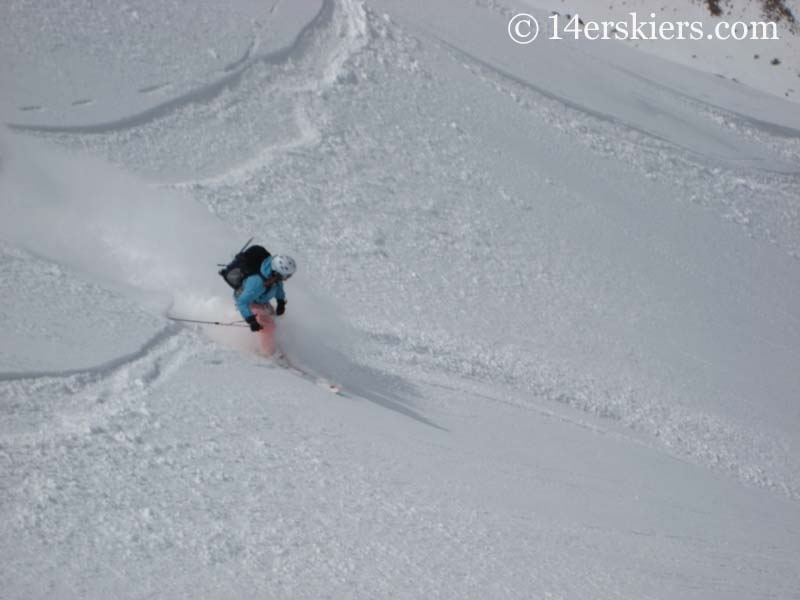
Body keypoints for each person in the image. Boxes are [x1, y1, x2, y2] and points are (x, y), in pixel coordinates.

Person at [235, 254, 296, 355]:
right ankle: (268, 354)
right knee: (268, 326)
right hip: (249, 303)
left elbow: (279, 287)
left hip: (261, 302)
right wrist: (251, 320)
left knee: (276, 319)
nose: (287, 278)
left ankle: (272, 342)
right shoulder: (256, 282)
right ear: (276, 272)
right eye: (287, 275)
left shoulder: (275, 277)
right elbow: (242, 302)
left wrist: (280, 302)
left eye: (289, 275)